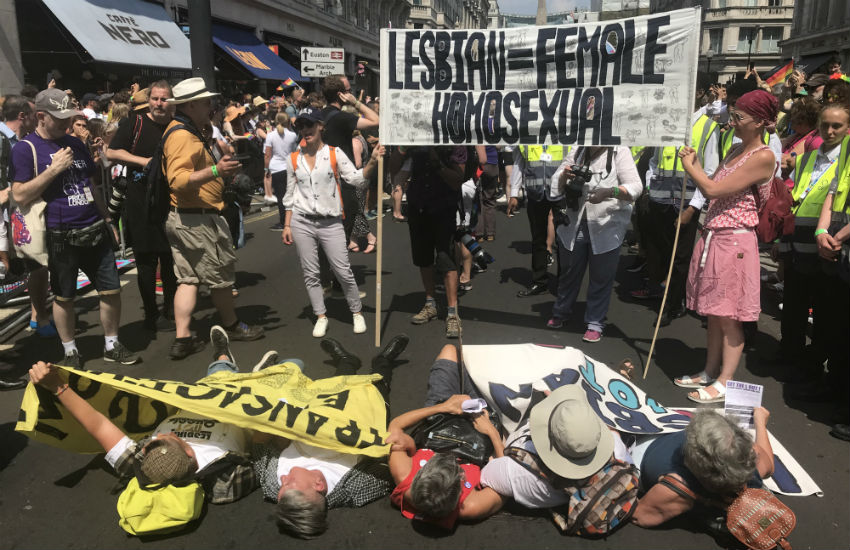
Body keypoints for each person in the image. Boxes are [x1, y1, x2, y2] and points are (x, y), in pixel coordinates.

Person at [26, 325, 268, 506]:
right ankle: (265, 377)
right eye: (171, 437)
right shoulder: (224, 482)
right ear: (189, 452)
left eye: (149, 444)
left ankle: (223, 358)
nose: (165, 434)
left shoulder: (142, 466)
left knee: (217, 375)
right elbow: (262, 458)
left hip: (205, 395)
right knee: (286, 369)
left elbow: (98, 425)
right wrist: (265, 404)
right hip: (243, 406)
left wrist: (57, 386)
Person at [10, 88, 136, 368]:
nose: (67, 124)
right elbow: (18, 195)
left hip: (93, 225)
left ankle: (112, 343)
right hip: (58, 234)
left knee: (111, 290)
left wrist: (106, 219)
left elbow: (91, 184)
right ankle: (70, 350)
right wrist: (53, 171)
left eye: (70, 117)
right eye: (59, 118)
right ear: (41, 116)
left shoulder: (76, 143)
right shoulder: (25, 148)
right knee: (65, 296)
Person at [673, 89, 778, 403]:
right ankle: (709, 371)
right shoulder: (735, 149)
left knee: (729, 315)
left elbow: (713, 188)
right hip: (715, 235)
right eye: (733, 115)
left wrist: (690, 166)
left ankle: (725, 380)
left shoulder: (763, 156)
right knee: (714, 313)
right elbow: (713, 185)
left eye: (740, 117)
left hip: (735, 240)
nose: (732, 122)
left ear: (760, 121)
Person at [252, 334, 409, 538]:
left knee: (336, 385)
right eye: (289, 482)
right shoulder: (356, 489)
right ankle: (383, 362)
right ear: (319, 484)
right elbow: (391, 464)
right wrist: (398, 443)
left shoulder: (275, 489)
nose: (282, 477)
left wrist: (278, 419)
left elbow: (258, 444)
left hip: (321, 411)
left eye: (282, 485)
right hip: (363, 417)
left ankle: (347, 361)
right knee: (377, 388)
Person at [161, 77, 264, 360]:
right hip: (198, 219)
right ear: (191, 104)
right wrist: (217, 172)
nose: (211, 105)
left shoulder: (183, 130)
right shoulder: (182, 135)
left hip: (184, 217)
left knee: (188, 279)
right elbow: (178, 180)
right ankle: (231, 325)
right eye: (206, 101)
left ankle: (183, 338)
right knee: (219, 278)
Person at [281, 107, 382, 338]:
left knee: (342, 270)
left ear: (320, 126)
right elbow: (289, 195)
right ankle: (321, 315)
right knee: (311, 272)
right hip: (302, 221)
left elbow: (356, 179)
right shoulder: (293, 158)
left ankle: (356, 312)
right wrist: (287, 225)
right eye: (301, 126)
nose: (305, 130)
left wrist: (373, 161)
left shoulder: (334, 153)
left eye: (309, 125)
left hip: (331, 221)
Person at [786, 106, 850, 442]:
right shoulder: (838, 155)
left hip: (838, 244)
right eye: (824, 125)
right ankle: (832, 389)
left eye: (837, 125)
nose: (829, 131)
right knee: (831, 325)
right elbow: (831, 193)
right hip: (830, 249)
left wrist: (835, 236)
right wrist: (823, 231)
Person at [480, 384, 633, 511]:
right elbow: (613, 433)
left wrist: (492, 432)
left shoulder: (519, 474)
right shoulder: (617, 450)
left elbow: (488, 473)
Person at [634, 109, 720, 326]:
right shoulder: (664, 120)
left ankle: (673, 305)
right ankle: (663, 291)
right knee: (658, 252)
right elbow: (655, 161)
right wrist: (649, 186)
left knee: (680, 257)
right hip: (659, 200)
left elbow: (709, 171)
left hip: (686, 202)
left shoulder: (708, 126)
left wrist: (692, 208)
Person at [547, 146, 643, 342]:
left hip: (607, 226)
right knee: (569, 270)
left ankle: (595, 321)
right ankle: (561, 311)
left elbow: (636, 187)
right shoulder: (578, 150)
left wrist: (609, 192)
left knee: (601, 275)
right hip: (575, 222)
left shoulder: (619, 151)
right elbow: (555, 185)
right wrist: (566, 176)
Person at [105, 80, 177, 332]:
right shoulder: (134, 122)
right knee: (146, 263)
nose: (159, 104)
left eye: (164, 99)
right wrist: (142, 161)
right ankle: (151, 314)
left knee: (171, 261)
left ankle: (170, 309)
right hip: (139, 203)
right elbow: (111, 153)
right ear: (149, 100)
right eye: (155, 99)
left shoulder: (176, 126)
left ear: (171, 101)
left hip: (170, 203)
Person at [631, 408, 775, 527]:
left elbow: (639, 516)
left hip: (644, 448)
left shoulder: (675, 488)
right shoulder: (752, 464)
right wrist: (760, 422)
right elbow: (770, 467)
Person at [389, 146, 466, 338]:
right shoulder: (416, 141)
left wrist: (436, 161)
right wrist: (401, 149)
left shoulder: (455, 143)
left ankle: (452, 312)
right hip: (418, 206)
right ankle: (430, 303)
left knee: (445, 259)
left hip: (443, 208)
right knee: (423, 259)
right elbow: (394, 169)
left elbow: (457, 180)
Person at [0, 94, 54, 339]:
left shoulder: (27, 141)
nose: (38, 120)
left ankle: (38, 316)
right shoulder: (2, 140)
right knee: (7, 272)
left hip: (22, 216)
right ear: (23, 116)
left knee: (37, 265)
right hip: (4, 218)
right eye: (34, 114)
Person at [319, 75, 379, 245]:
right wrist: (356, 103)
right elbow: (376, 121)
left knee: (325, 239)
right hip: (342, 183)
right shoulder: (341, 118)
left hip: (322, 181)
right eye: (348, 91)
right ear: (341, 95)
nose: (351, 93)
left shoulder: (319, 115)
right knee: (339, 238)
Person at [510, 145, 566, 297]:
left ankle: (565, 284)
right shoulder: (526, 137)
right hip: (536, 195)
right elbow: (519, 164)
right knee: (538, 239)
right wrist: (514, 193)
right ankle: (539, 282)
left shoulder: (565, 132)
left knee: (565, 241)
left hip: (561, 194)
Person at [264, 112, 298, 231]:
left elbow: (267, 155)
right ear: (288, 121)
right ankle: (293, 220)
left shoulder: (270, 136)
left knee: (281, 196)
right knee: (292, 194)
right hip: (289, 168)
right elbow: (295, 152)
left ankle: (283, 222)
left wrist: (266, 169)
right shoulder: (293, 135)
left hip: (276, 169)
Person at [475, 145, 500, 241]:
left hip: (478, 165)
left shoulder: (475, 129)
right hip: (492, 163)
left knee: (478, 199)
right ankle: (490, 233)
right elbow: (498, 146)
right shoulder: (493, 128)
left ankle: (479, 233)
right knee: (490, 199)